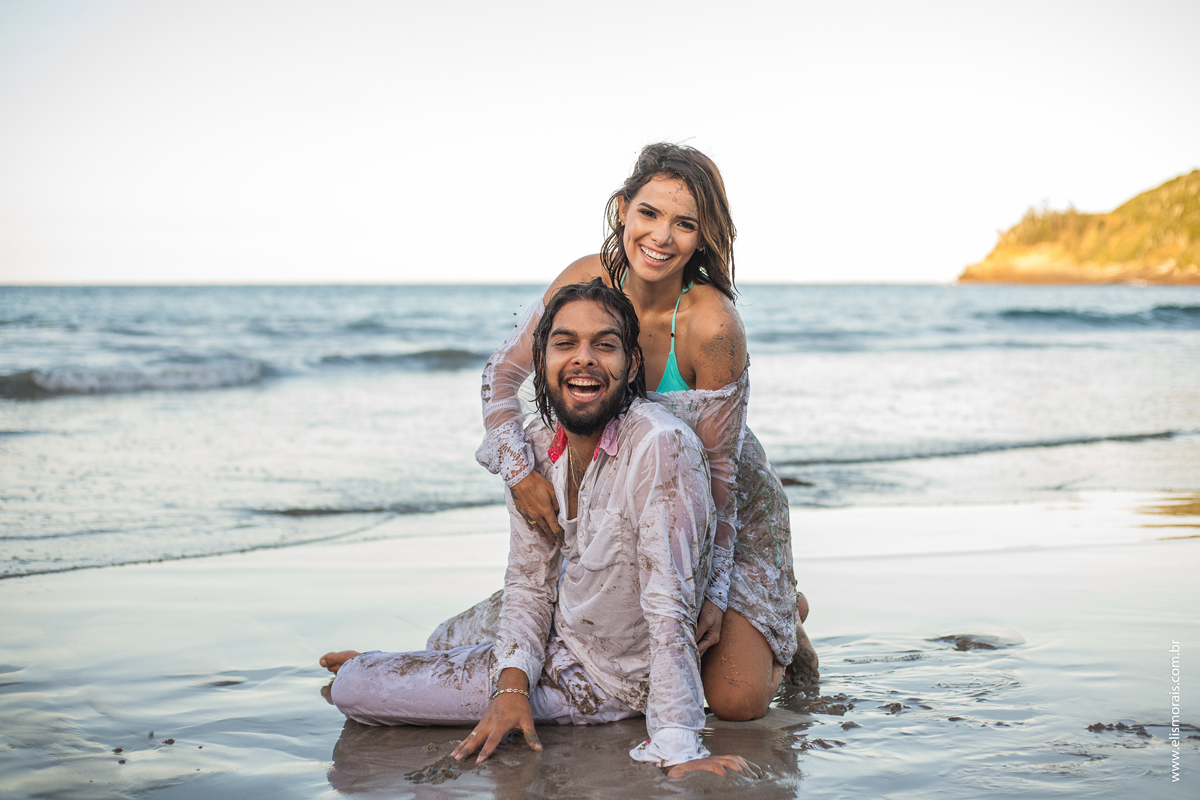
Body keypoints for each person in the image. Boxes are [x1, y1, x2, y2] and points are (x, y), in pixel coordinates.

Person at [321, 281, 750, 777]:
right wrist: (510, 687)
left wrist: (678, 745)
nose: (583, 359)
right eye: (564, 344)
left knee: (354, 687)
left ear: (632, 365)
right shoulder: (539, 443)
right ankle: (423, 671)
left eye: (604, 345)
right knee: (441, 637)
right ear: (541, 362)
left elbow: (668, 605)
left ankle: (395, 675)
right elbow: (528, 585)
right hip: (564, 618)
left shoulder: (660, 446)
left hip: (604, 675)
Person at [475, 143, 817, 720]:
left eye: (684, 224)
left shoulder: (712, 326)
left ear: (704, 237)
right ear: (622, 209)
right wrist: (519, 473)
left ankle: (780, 612)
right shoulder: (586, 277)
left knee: (735, 703)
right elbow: (499, 375)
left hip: (724, 509)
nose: (661, 237)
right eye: (649, 214)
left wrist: (711, 592)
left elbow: (723, 475)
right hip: (627, 495)